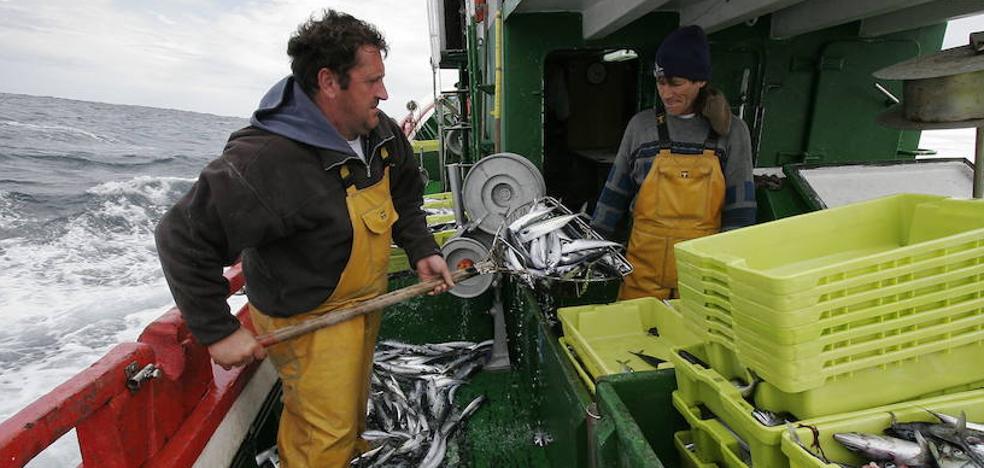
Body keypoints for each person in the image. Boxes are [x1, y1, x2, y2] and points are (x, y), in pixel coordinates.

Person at [154, 10, 454, 467]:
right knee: (324, 433)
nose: (384, 93)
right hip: (307, 315)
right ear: (329, 81)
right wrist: (218, 330)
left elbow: (405, 193)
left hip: (363, 301)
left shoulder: (380, 132)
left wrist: (422, 249)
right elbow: (180, 236)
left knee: (351, 403)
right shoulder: (266, 160)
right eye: (372, 81)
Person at [591, 25, 756, 300]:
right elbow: (614, 194)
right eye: (660, 82)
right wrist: (592, 245)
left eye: (676, 83)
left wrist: (726, 273)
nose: (666, 93)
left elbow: (741, 209)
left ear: (700, 80)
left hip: (700, 277)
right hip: (641, 273)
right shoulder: (641, 126)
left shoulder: (732, 132)